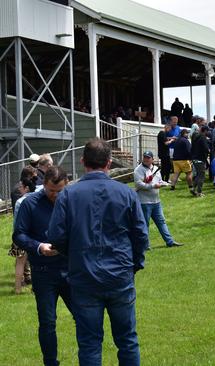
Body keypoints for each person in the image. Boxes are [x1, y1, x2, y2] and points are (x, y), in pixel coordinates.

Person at [48, 138, 149, 366]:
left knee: (90, 343)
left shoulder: (68, 195)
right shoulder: (126, 194)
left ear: (83, 161)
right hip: (119, 276)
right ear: (109, 162)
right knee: (127, 340)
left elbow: (55, 236)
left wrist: (71, 256)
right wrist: (134, 263)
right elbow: (141, 235)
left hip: (85, 277)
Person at [14, 166, 75, 365]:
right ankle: (50, 362)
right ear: (44, 184)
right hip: (43, 272)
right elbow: (19, 235)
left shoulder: (72, 201)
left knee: (84, 316)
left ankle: (89, 358)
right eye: (51, 190)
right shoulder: (29, 203)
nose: (55, 195)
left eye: (60, 191)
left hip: (70, 270)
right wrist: (39, 247)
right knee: (48, 322)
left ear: (67, 185)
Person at [134, 151, 183, 248]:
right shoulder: (138, 170)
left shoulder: (156, 169)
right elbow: (139, 184)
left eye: (148, 158)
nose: (146, 159)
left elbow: (159, 180)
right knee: (145, 224)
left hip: (156, 201)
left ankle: (169, 241)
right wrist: (153, 186)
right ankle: (145, 245)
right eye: (145, 157)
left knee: (161, 221)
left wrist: (163, 183)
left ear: (152, 159)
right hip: (144, 202)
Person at [170, 129, 194, 194]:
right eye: (187, 133)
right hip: (183, 160)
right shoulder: (186, 141)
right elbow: (189, 150)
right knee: (189, 173)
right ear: (184, 134)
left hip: (175, 160)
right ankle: (191, 186)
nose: (188, 135)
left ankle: (172, 186)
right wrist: (191, 158)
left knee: (176, 174)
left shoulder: (177, 140)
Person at [191, 125, 211, 197]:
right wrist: (209, 151)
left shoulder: (195, 137)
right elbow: (205, 148)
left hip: (194, 158)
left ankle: (193, 188)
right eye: (207, 131)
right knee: (201, 176)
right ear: (205, 131)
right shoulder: (203, 137)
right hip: (200, 159)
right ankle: (199, 192)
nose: (208, 132)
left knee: (198, 175)